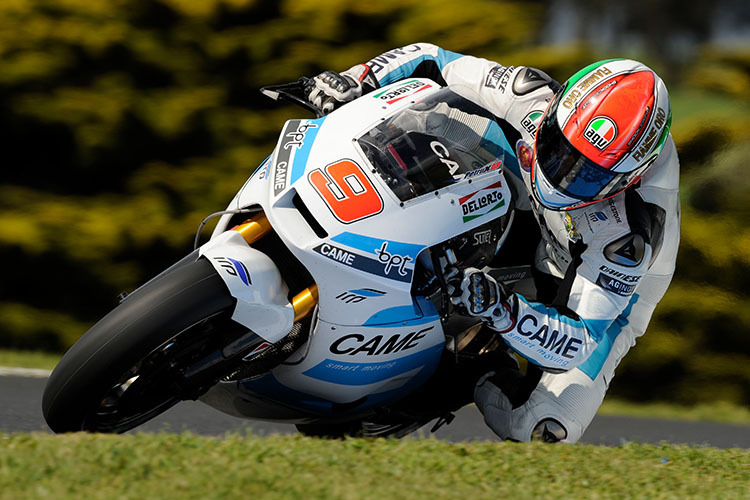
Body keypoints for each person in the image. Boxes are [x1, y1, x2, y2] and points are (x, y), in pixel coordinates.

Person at [304, 43, 680, 443]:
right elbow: (435, 59)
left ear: (628, 179)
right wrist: (356, 79)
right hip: (524, 192)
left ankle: (471, 361)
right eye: (557, 147)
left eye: (584, 175)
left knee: (542, 427)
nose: (560, 176)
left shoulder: (628, 237)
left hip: (584, 276)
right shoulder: (532, 95)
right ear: (556, 111)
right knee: (434, 114)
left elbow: (577, 341)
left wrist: (502, 310)